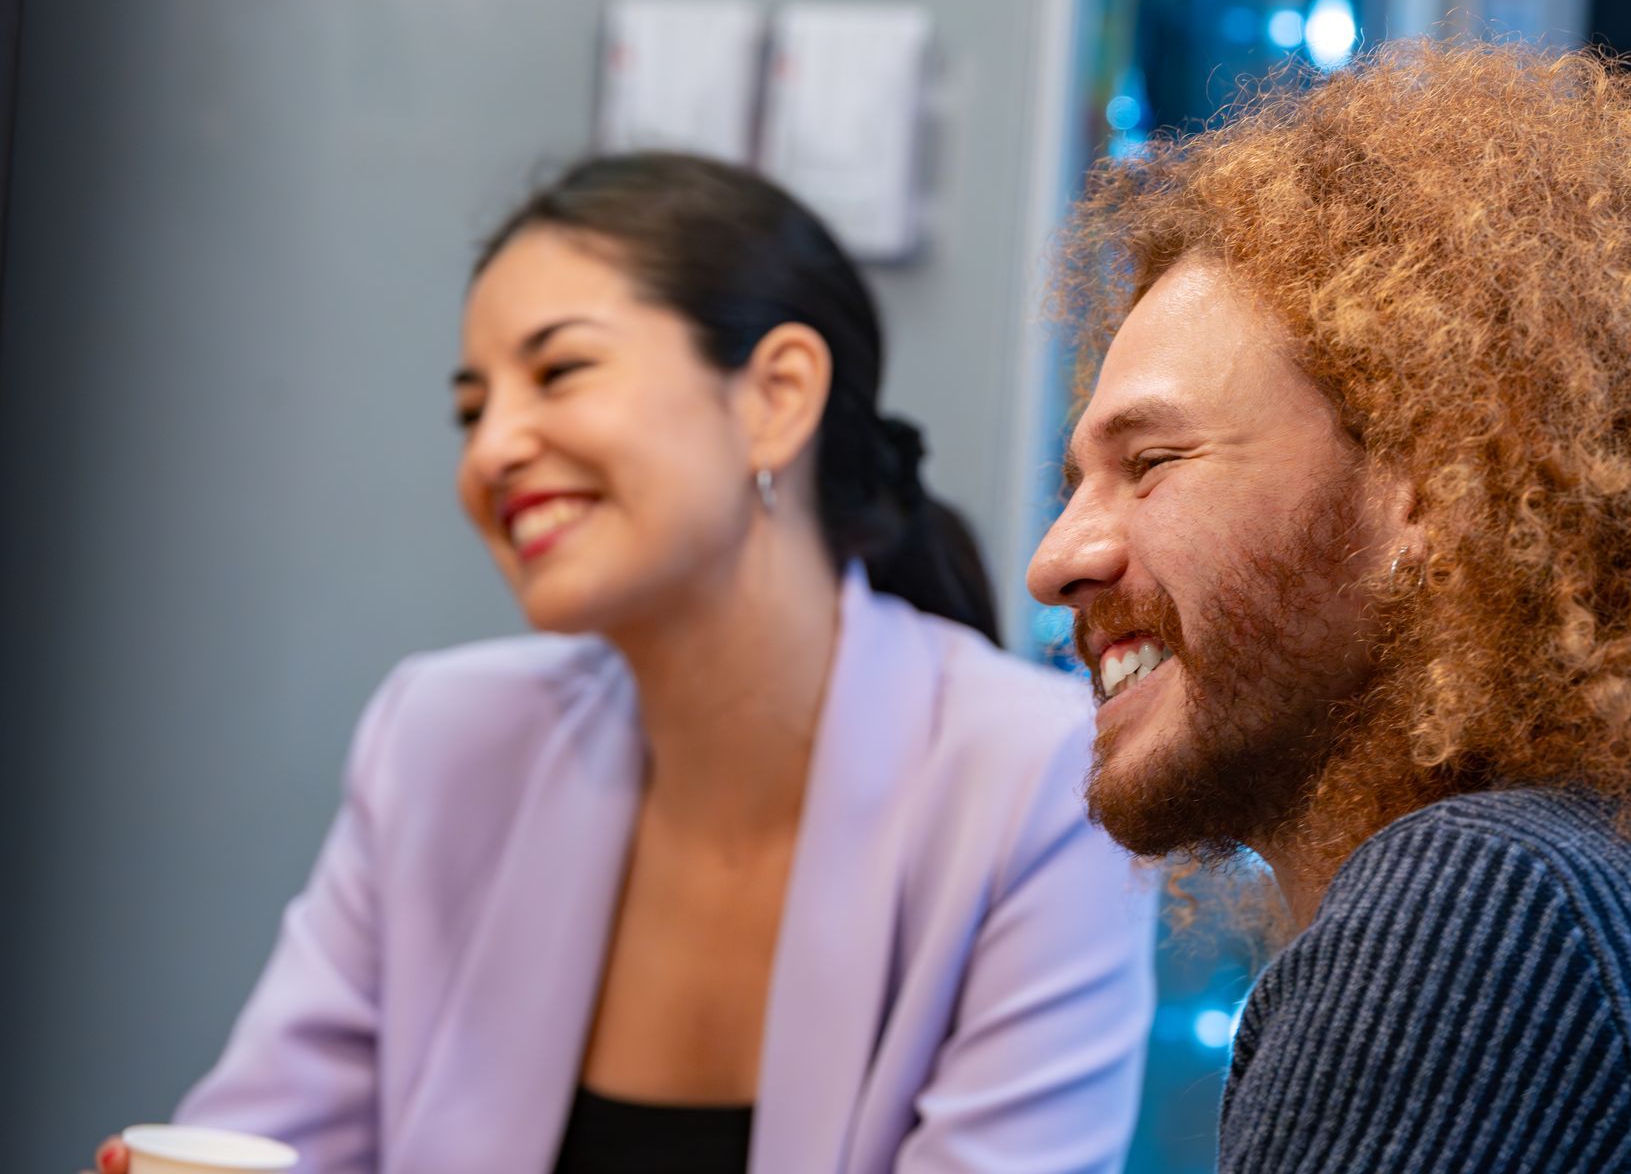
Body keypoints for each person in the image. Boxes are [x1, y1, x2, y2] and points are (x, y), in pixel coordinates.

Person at [95, 153, 1154, 1174]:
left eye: (559, 370)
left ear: (776, 395)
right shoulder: (439, 740)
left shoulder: (1041, 780)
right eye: (472, 408)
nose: (492, 448)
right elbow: (265, 1135)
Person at [1027, 38, 1631, 1172]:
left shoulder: (1489, 913)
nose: (1054, 561)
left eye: (1150, 462)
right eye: (1073, 486)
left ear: (1433, 488)